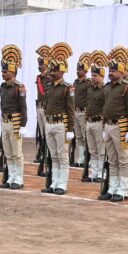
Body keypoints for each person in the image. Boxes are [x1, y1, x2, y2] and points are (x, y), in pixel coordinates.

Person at [98, 47, 128, 202]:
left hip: (121, 126)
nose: (111, 72)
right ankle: (112, 188)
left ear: (121, 72)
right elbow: (104, 108)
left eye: (114, 70)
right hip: (108, 126)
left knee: (123, 159)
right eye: (110, 70)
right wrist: (103, 126)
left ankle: (122, 189)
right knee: (112, 159)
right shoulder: (107, 87)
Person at [40, 43, 75, 195]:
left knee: (62, 156)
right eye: (51, 70)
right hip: (49, 123)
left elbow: (71, 110)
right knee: (53, 155)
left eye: (55, 70)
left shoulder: (68, 88)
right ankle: (54, 182)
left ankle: (62, 184)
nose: (52, 72)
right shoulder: (48, 86)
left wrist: (70, 129)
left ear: (62, 71)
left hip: (61, 124)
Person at [0, 45, 28, 190]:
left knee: (17, 153)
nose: (3, 74)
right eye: (2, 71)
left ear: (13, 72)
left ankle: (19, 178)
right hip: (5, 121)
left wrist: (23, 125)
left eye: (6, 71)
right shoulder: (3, 87)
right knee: (8, 152)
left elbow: (23, 107)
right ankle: (11, 177)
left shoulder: (19, 87)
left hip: (15, 122)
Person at [85, 51, 108, 183]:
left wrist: (104, 125)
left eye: (95, 75)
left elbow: (105, 107)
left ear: (101, 76)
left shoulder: (105, 89)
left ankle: (101, 173)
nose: (93, 78)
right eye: (92, 75)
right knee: (92, 149)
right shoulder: (90, 89)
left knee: (100, 149)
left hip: (99, 122)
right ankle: (94, 172)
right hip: (89, 121)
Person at [72, 53, 92, 168]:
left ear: (85, 71)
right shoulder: (75, 82)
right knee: (79, 136)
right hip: (75, 111)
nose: (78, 71)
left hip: (83, 112)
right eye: (77, 69)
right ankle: (80, 158)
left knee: (85, 136)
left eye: (80, 70)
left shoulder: (88, 83)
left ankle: (87, 157)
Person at [34, 45, 52, 163]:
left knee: (47, 133)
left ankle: (47, 154)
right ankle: (41, 153)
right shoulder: (39, 77)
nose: (40, 66)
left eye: (42, 64)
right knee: (41, 133)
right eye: (39, 64)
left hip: (46, 107)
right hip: (39, 106)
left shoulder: (49, 77)